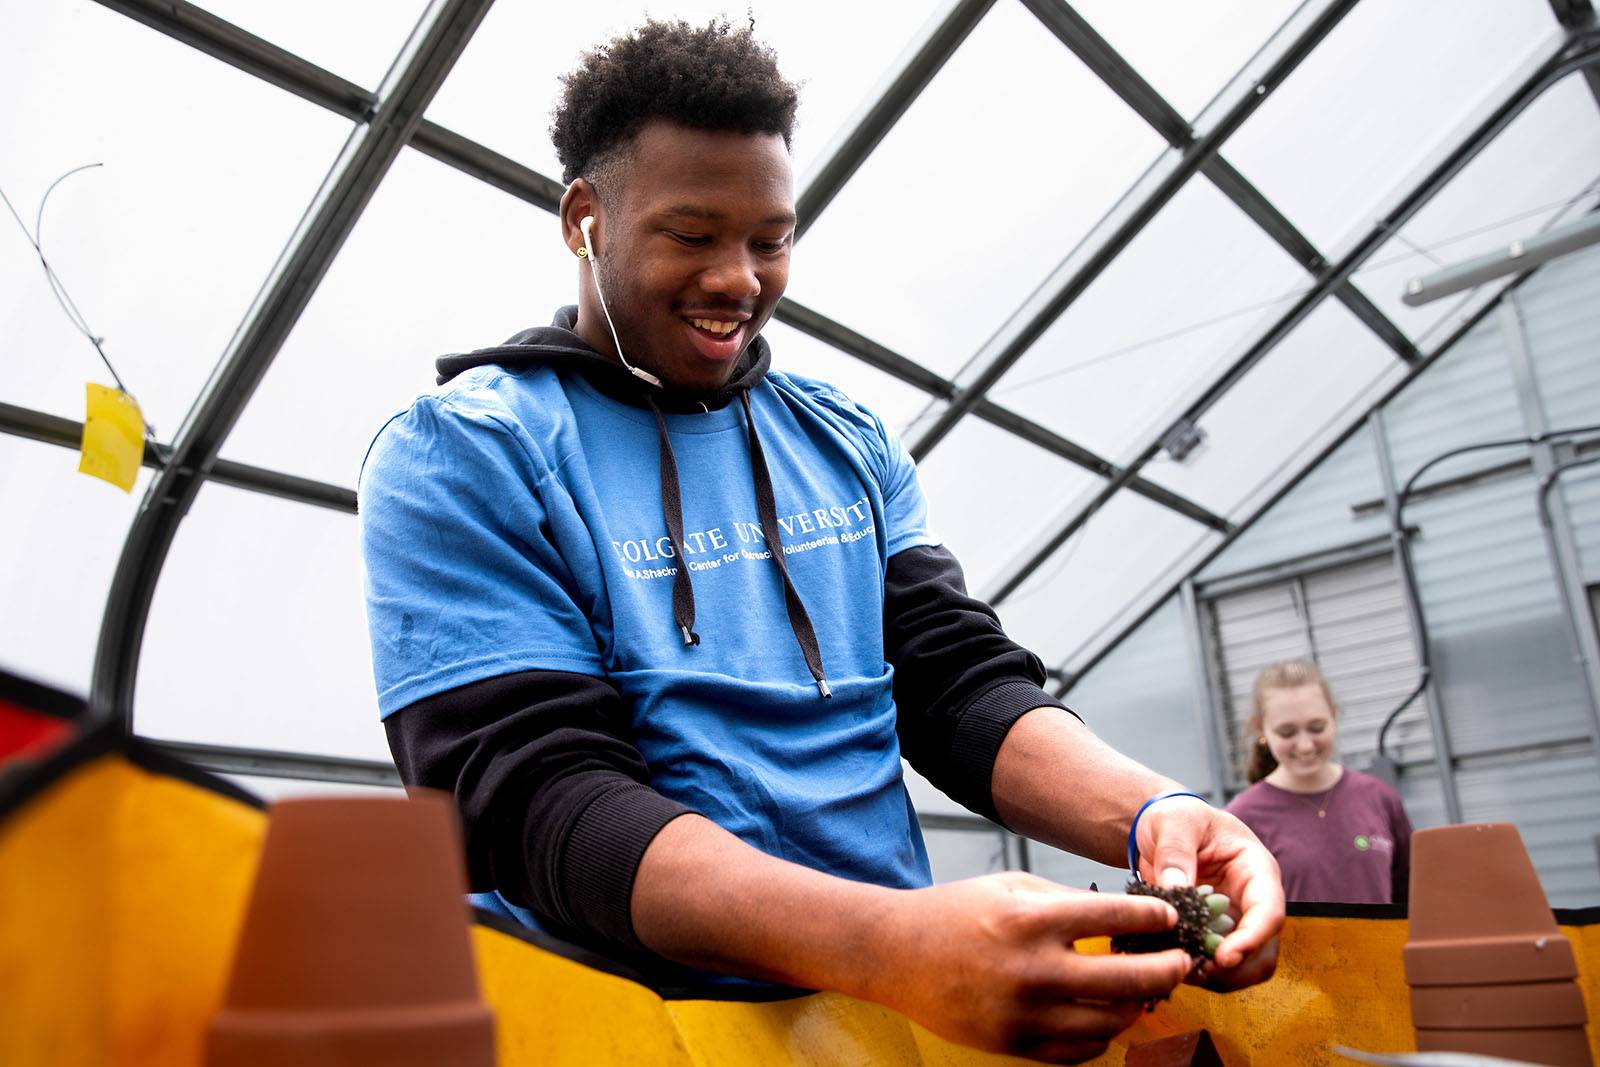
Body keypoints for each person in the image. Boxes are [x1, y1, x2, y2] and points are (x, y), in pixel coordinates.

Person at [358, 18, 1284, 1062]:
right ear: (585, 220)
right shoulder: (470, 450)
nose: (740, 278)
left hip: (875, 1022)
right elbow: (538, 798)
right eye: (693, 233)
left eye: (770, 236)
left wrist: (1157, 811)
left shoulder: (839, 436)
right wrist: (885, 939)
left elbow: (956, 685)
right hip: (629, 1028)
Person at [1226, 661, 1412, 905]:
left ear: (1334, 716)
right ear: (1260, 728)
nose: (1305, 745)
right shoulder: (1242, 819)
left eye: (1316, 727)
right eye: (1287, 733)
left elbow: (1413, 896)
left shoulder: (1379, 798)